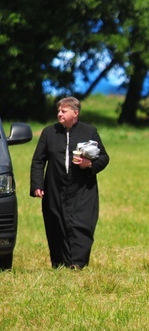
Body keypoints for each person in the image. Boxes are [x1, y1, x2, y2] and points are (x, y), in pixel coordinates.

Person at [30, 96, 110, 269]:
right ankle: (59, 263)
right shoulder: (49, 132)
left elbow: (104, 157)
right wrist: (37, 185)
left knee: (82, 224)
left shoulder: (89, 131)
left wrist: (90, 165)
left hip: (82, 188)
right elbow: (38, 160)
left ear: (75, 113)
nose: (59, 114)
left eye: (63, 111)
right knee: (56, 224)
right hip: (55, 187)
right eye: (58, 110)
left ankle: (78, 263)